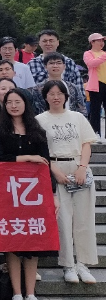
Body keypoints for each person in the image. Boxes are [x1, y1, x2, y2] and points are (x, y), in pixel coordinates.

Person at [0, 88, 57, 300]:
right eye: (9, 102)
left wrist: (53, 195)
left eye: (17, 101)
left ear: (26, 104)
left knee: (32, 245)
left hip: (34, 197)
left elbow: (46, 164)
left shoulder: (37, 130)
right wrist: (27, 157)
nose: (13, 105)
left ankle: (30, 295)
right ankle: (16, 295)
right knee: (12, 243)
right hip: (8, 195)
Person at [37, 81, 99, 285]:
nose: (56, 97)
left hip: (79, 166)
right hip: (55, 168)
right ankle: (68, 265)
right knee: (62, 220)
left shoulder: (77, 117)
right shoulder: (40, 120)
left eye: (60, 93)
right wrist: (54, 171)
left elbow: (86, 143)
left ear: (66, 96)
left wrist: (82, 167)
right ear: (45, 97)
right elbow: (40, 150)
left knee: (84, 218)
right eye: (51, 93)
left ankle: (83, 264)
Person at [28, 30, 84, 99]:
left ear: (57, 42)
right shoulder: (31, 64)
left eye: (51, 41)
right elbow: (28, 89)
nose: (48, 43)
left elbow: (79, 86)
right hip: (40, 103)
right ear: (39, 43)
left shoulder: (69, 62)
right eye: (44, 41)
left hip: (67, 102)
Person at [83, 33, 106, 142]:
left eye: (102, 41)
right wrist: (104, 56)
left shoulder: (104, 53)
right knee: (95, 110)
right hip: (96, 84)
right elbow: (91, 63)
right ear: (92, 42)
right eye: (99, 40)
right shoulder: (88, 53)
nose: (102, 43)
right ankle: (95, 133)